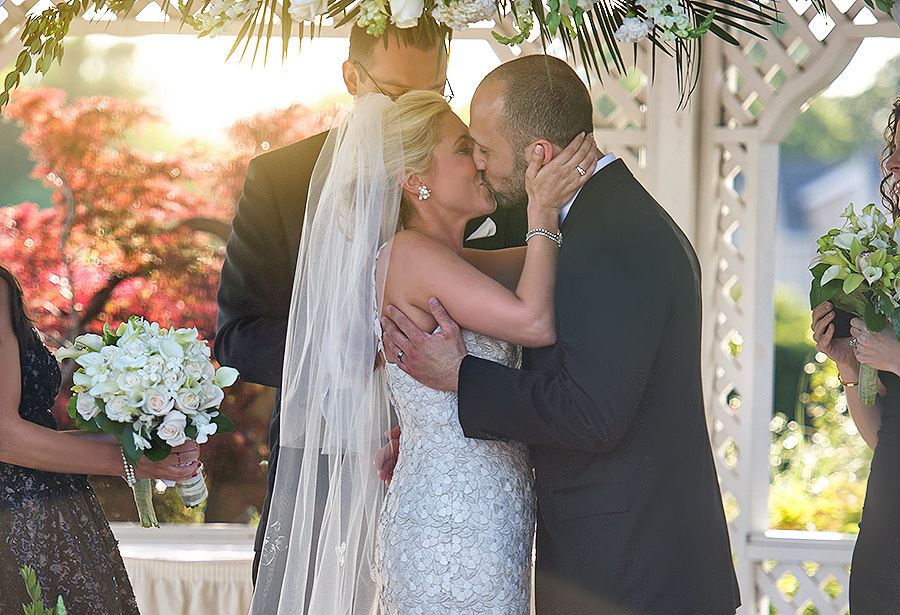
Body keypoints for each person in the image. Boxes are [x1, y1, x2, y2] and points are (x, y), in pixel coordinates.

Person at [379, 55, 741, 614]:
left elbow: (591, 413)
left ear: (537, 155)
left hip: (631, 571)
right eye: (467, 148)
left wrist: (460, 378)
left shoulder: (609, 239)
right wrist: (427, 428)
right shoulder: (593, 225)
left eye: (484, 148)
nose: (478, 161)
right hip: (584, 554)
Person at [249, 90, 597, 614]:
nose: (481, 160)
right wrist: (543, 205)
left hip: (488, 505)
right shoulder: (410, 256)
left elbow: (557, 261)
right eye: (464, 148)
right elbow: (534, 320)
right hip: (451, 518)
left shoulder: (455, 261)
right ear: (417, 181)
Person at [213, 20, 528, 582]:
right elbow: (238, 339)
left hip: (458, 477)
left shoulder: (480, 176)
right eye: (399, 95)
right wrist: (370, 336)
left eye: (437, 93)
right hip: (324, 463)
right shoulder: (282, 179)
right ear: (352, 78)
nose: (420, 110)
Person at [0, 263, 200, 613]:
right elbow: (5, 438)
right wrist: (127, 462)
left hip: (50, 514)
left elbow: (31, 431)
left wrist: (138, 443)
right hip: (17, 526)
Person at [811, 97, 900, 614]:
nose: (889, 165)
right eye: (893, 150)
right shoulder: (890, 265)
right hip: (887, 534)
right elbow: (881, 437)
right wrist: (850, 365)